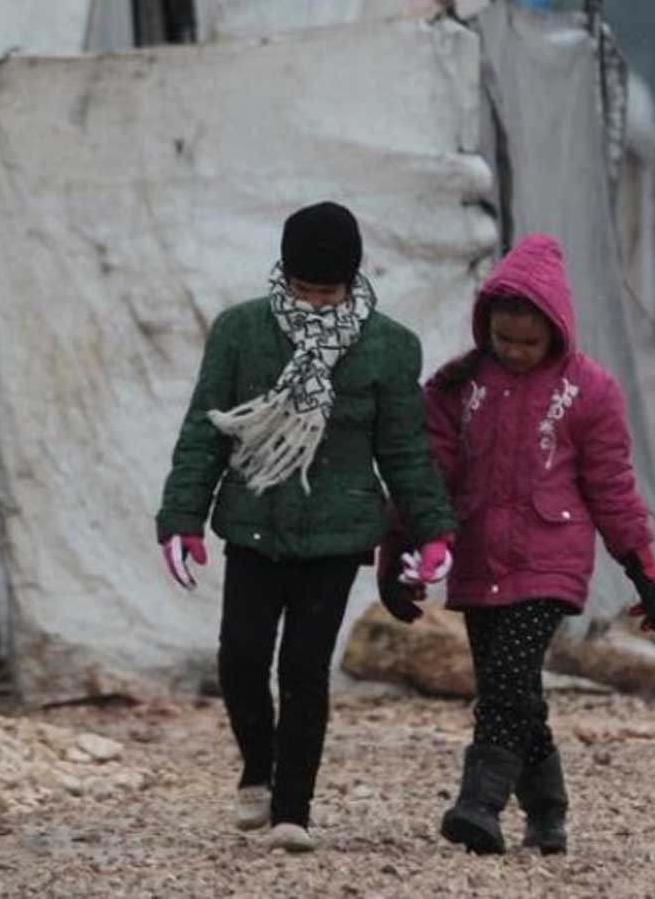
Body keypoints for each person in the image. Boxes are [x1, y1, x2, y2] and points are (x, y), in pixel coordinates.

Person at [156, 201, 455, 853]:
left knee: (304, 668)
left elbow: (404, 450)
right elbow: (207, 430)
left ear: (352, 280)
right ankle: (257, 769)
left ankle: (293, 810)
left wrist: (433, 530)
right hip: (254, 521)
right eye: (303, 289)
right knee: (240, 658)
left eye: (328, 292)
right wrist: (181, 518)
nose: (315, 303)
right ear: (284, 275)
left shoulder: (389, 347)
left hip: (337, 532)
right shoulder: (241, 332)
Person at [418, 233, 655, 855]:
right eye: (503, 339)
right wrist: (403, 547)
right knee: (513, 691)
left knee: (508, 677)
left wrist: (643, 567)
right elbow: (428, 475)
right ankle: (548, 814)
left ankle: (479, 804)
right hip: (478, 558)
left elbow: (612, 487)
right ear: (486, 326)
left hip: (549, 561)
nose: (514, 351)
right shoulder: (458, 387)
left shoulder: (590, 391)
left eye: (528, 343)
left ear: (557, 331)